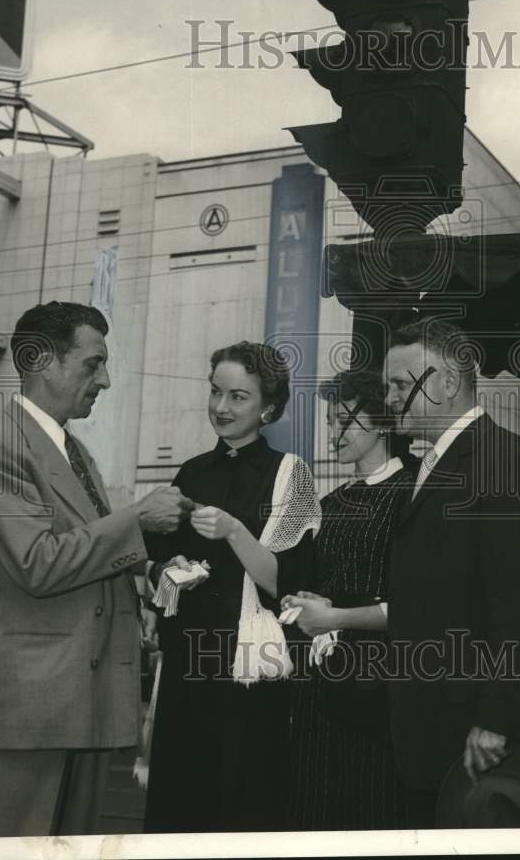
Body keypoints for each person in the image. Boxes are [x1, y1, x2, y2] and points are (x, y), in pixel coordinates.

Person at [0, 301, 189, 837]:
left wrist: (151, 574)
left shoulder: (78, 453)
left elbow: (90, 554)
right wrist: (137, 520)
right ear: (40, 361)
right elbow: (38, 563)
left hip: (86, 702)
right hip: (31, 705)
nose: (104, 379)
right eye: (92, 363)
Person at [382, 318, 520, 828]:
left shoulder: (506, 462)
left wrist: (497, 719)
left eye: (402, 384)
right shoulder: (431, 466)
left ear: (447, 382)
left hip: (482, 744)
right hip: (435, 733)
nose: (389, 398)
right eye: (388, 386)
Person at [143, 341, 320, 833]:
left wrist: (235, 531)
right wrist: (168, 570)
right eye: (216, 392)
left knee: (242, 800)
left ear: (268, 406)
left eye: (238, 396)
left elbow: (289, 585)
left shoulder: (292, 474)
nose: (221, 407)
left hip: (250, 671)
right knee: (181, 801)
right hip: (187, 663)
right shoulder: (192, 472)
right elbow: (154, 567)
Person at [284, 369, 415, 830]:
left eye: (344, 420)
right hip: (323, 687)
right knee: (319, 807)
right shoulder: (332, 502)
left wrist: (334, 617)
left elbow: (421, 604)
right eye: (328, 420)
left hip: (381, 688)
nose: (333, 432)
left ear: (382, 423)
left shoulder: (414, 493)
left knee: (374, 808)